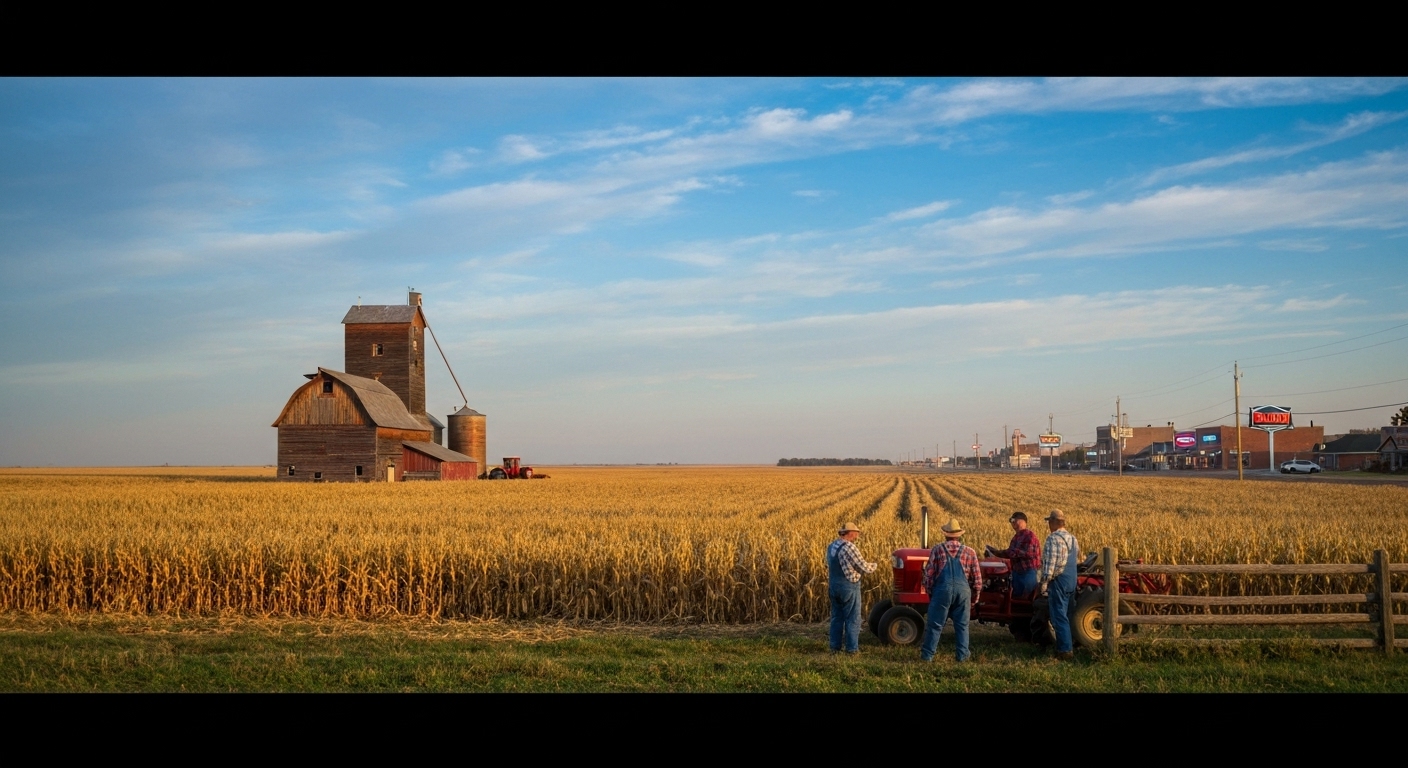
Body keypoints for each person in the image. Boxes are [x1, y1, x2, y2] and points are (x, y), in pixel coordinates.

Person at [918, 518, 982, 662]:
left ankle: (927, 656)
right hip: (963, 592)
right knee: (962, 626)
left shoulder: (937, 550)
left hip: (942, 590)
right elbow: (977, 581)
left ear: (945, 534)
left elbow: (928, 575)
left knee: (935, 624)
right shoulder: (970, 552)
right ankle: (962, 656)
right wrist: (974, 599)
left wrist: (930, 593)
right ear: (959, 535)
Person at [827, 522, 876, 654]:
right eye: (856, 533)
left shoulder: (832, 546)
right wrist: (877, 565)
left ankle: (834, 647)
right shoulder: (849, 547)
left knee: (837, 617)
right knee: (853, 618)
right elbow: (863, 566)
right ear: (850, 533)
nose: (857, 536)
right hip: (848, 587)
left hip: (833, 586)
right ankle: (852, 649)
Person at [1037, 509, 1080, 660]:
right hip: (1072, 580)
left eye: (1049, 522)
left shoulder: (1053, 539)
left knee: (1058, 616)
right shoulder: (1073, 539)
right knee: (1069, 614)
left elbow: (1050, 564)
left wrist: (1044, 582)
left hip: (1059, 580)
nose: (1048, 524)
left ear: (1054, 523)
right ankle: (1072, 644)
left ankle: (1065, 651)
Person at [985, 511, 1041, 598]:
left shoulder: (1029, 536)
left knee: (1024, 600)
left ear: (1022, 521)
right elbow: (1012, 553)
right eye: (1011, 520)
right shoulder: (1016, 537)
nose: (1012, 522)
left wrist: (998, 553)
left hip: (1027, 574)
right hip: (1017, 573)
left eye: (1013, 519)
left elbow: (1021, 553)